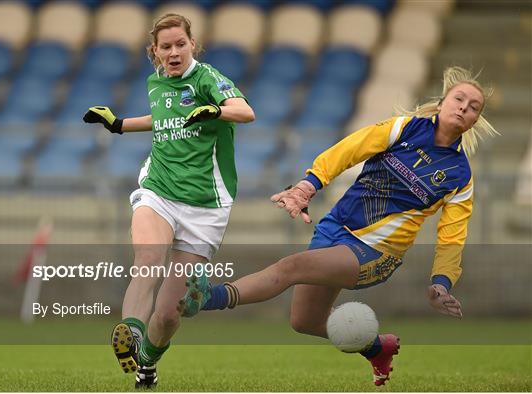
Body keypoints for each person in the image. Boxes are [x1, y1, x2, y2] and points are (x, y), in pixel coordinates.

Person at [178, 66, 499, 386]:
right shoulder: (405, 128)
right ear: (442, 102)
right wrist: (307, 186)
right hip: (335, 227)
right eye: (459, 99)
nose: (464, 108)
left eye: (474, 108)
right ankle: (377, 348)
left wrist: (441, 282)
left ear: (474, 121)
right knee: (305, 321)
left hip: (376, 252)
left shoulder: (459, 176)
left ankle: (209, 298)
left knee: (291, 267)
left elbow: (452, 236)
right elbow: (349, 150)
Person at [83, 13, 255, 389]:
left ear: (192, 44)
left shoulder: (208, 78)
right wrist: (119, 124)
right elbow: (163, 119)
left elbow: (246, 111)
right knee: (147, 260)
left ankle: (147, 359)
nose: (174, 52)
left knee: (169, 314)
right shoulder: (155, 81)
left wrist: (217, 110)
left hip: (205, 206)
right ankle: (130, 333)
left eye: (180, 44)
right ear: (155, 52)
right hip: (158, 189)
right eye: (166, 47)